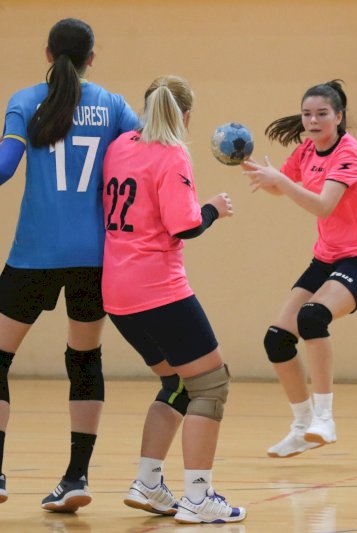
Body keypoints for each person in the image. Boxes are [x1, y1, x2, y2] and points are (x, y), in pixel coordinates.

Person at [0, 18, 140, 511]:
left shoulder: (22, 101)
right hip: (94, 258)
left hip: (33, 255)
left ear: (46, 53)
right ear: (91, 59)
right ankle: (76, 477)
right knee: (84, 360)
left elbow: (3, 169)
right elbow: (143, 163)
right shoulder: (114, 105)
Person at [102, 75, 245, 524]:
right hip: (158, 289)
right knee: (211, 384)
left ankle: (148, 483)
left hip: (117, 293)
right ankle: (199, 497)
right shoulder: (172, 153)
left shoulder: (120, 144)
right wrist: (215, 209)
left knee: (178, 384)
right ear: (184, 116)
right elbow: (184, 225)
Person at [241, 80, 357, 458]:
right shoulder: (307, 149)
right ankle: (302, 426)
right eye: (307, 114)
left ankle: (325, 418)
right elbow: (283, 186)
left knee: (312, 317)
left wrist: (283, 183)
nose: (313, 120)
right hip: (325, 260)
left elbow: (323, 205)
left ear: (339, 117)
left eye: (322, 114)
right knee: (277, 339)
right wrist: (264, 176)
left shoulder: (349, 153)